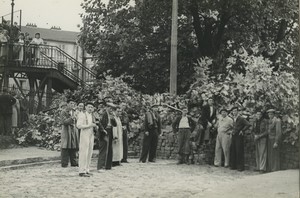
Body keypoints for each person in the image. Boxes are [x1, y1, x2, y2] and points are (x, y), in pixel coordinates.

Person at [76, 102, 98, 177]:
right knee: (84, 152)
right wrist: (89, 125)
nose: (90, 108)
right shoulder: (82, 115)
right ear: (85, 107)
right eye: (89, 107)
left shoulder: (92, 115)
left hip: (91, 134)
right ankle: (81, 171)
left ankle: (87, 169)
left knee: (89, 152)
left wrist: (95, 126)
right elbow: (78, 125)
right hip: (84, 133)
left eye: (92, 107)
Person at [230, 106, 251, 171]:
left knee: (239, 151)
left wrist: (242, 130)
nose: (234, 112)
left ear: (238, 111)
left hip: (239, 136)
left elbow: (248, 124)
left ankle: (240, 167)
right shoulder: (233, 118)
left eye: (235, 111)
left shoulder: (241, 118)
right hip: (233, 135)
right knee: (233, 150)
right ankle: (234, 166)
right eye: (233, 111)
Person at [97, 103, 117, 172]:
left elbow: (115, 125)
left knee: (109, 149)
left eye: (112, 109)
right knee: (103, 149)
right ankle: (100, 166)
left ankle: (108, 165)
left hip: (110, 131)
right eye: (110, 108)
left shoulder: (111, 115)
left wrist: (113, 118)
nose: (111, 110)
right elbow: (99, 123)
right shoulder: (103, 113)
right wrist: (103, 130)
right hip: (104, 132)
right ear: (107, 107)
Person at [60, 100, 79, 168]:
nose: (72, 104)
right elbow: (63, 121)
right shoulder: (63, 111)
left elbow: (77, 122)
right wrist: (71, 118)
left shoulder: (75, 112)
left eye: (73, 103)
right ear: (67, 104)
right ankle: (64, 164)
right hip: (66, 131)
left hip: (73, 131)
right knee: (65, 146)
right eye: (71, 103)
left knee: (73, 146)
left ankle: (74, 163)